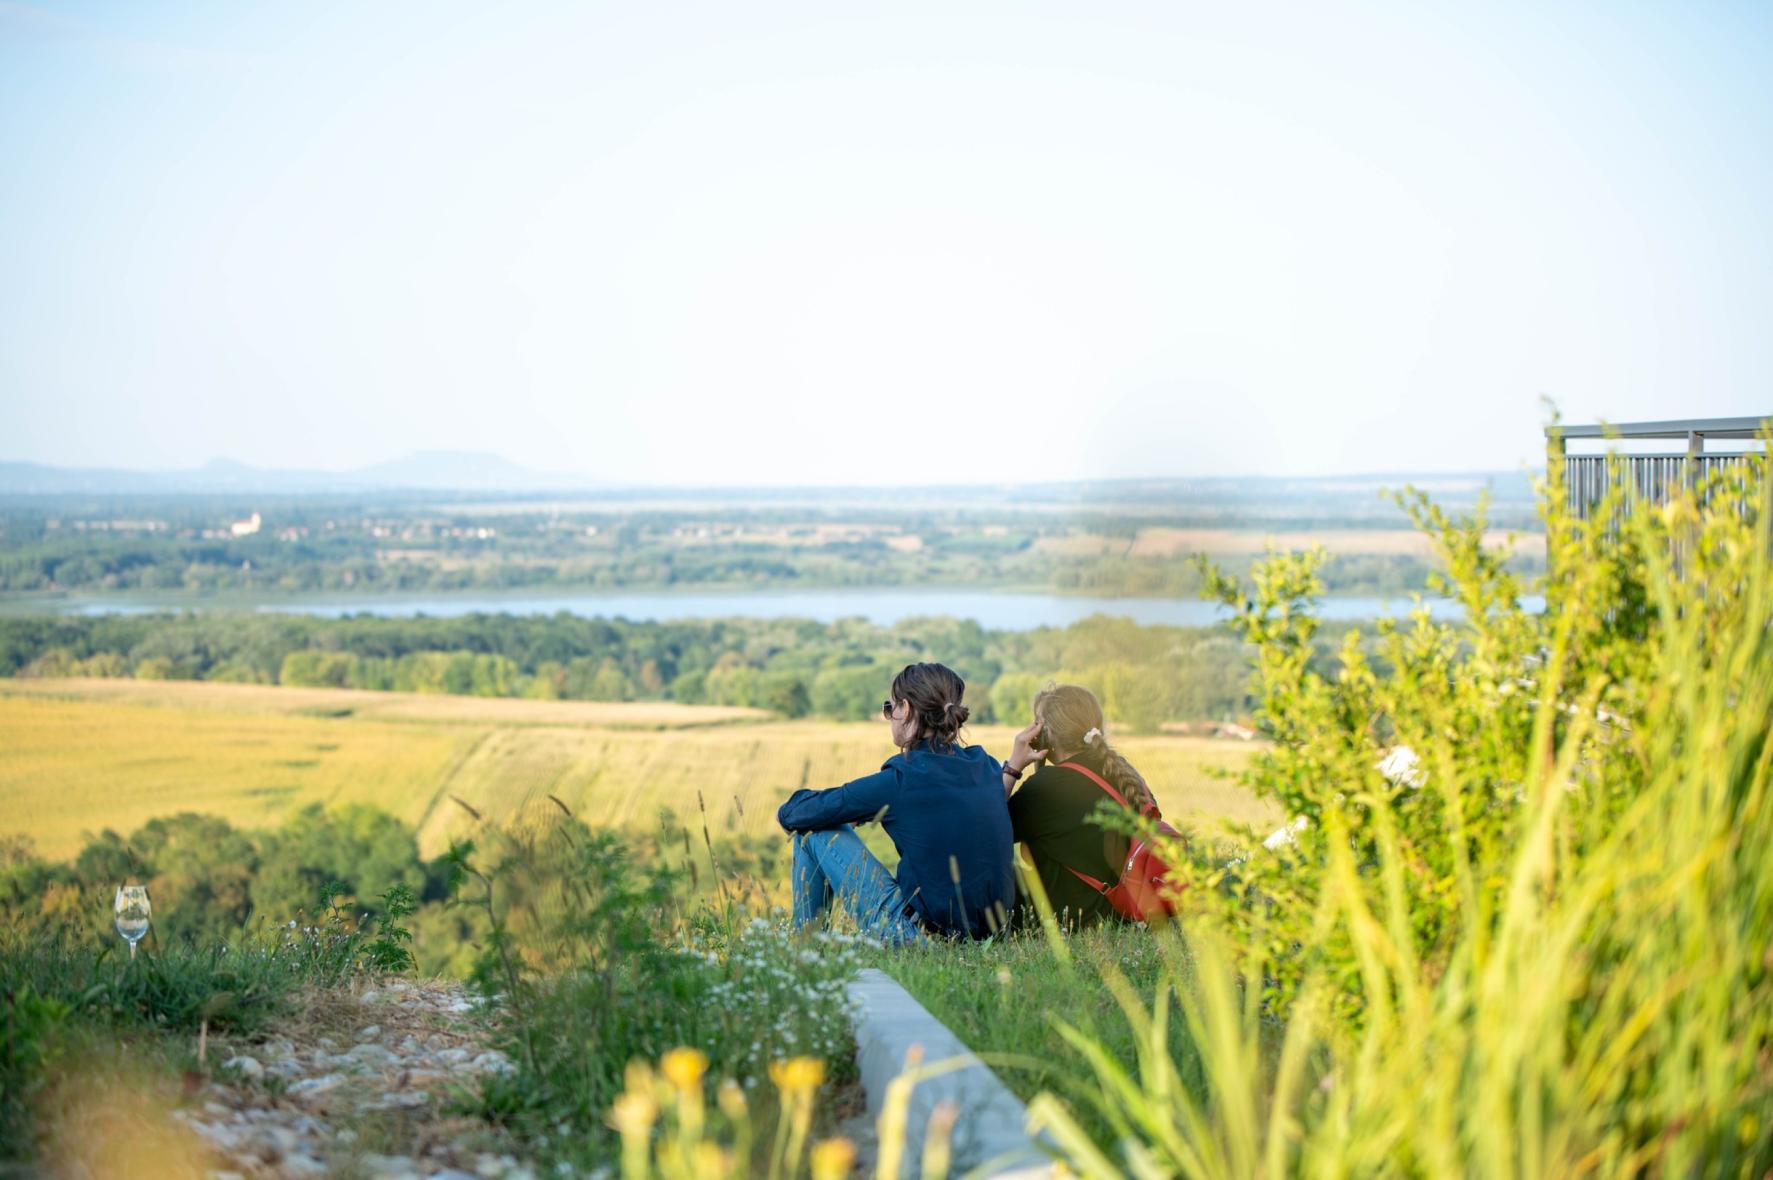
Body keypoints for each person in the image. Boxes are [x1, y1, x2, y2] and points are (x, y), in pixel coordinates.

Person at [776, 662, 1014, 943]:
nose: (889, 717)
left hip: (921, 936)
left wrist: (843, 814)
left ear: (907, 709)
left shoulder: (903, 777)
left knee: (813, 832)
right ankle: (805, 950)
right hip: (993, 934)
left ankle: (804, 950)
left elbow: (795, 815)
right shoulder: (985, 766)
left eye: (890, 709)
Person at [1001, 683, 1159, 927]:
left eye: (1037, 723)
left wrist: (1013, 767)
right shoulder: (1123, 771)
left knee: (992, 871)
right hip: (1126, 909)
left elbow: (988, 832)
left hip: (1074, 916)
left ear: (1047, 733)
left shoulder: (1048, 786)